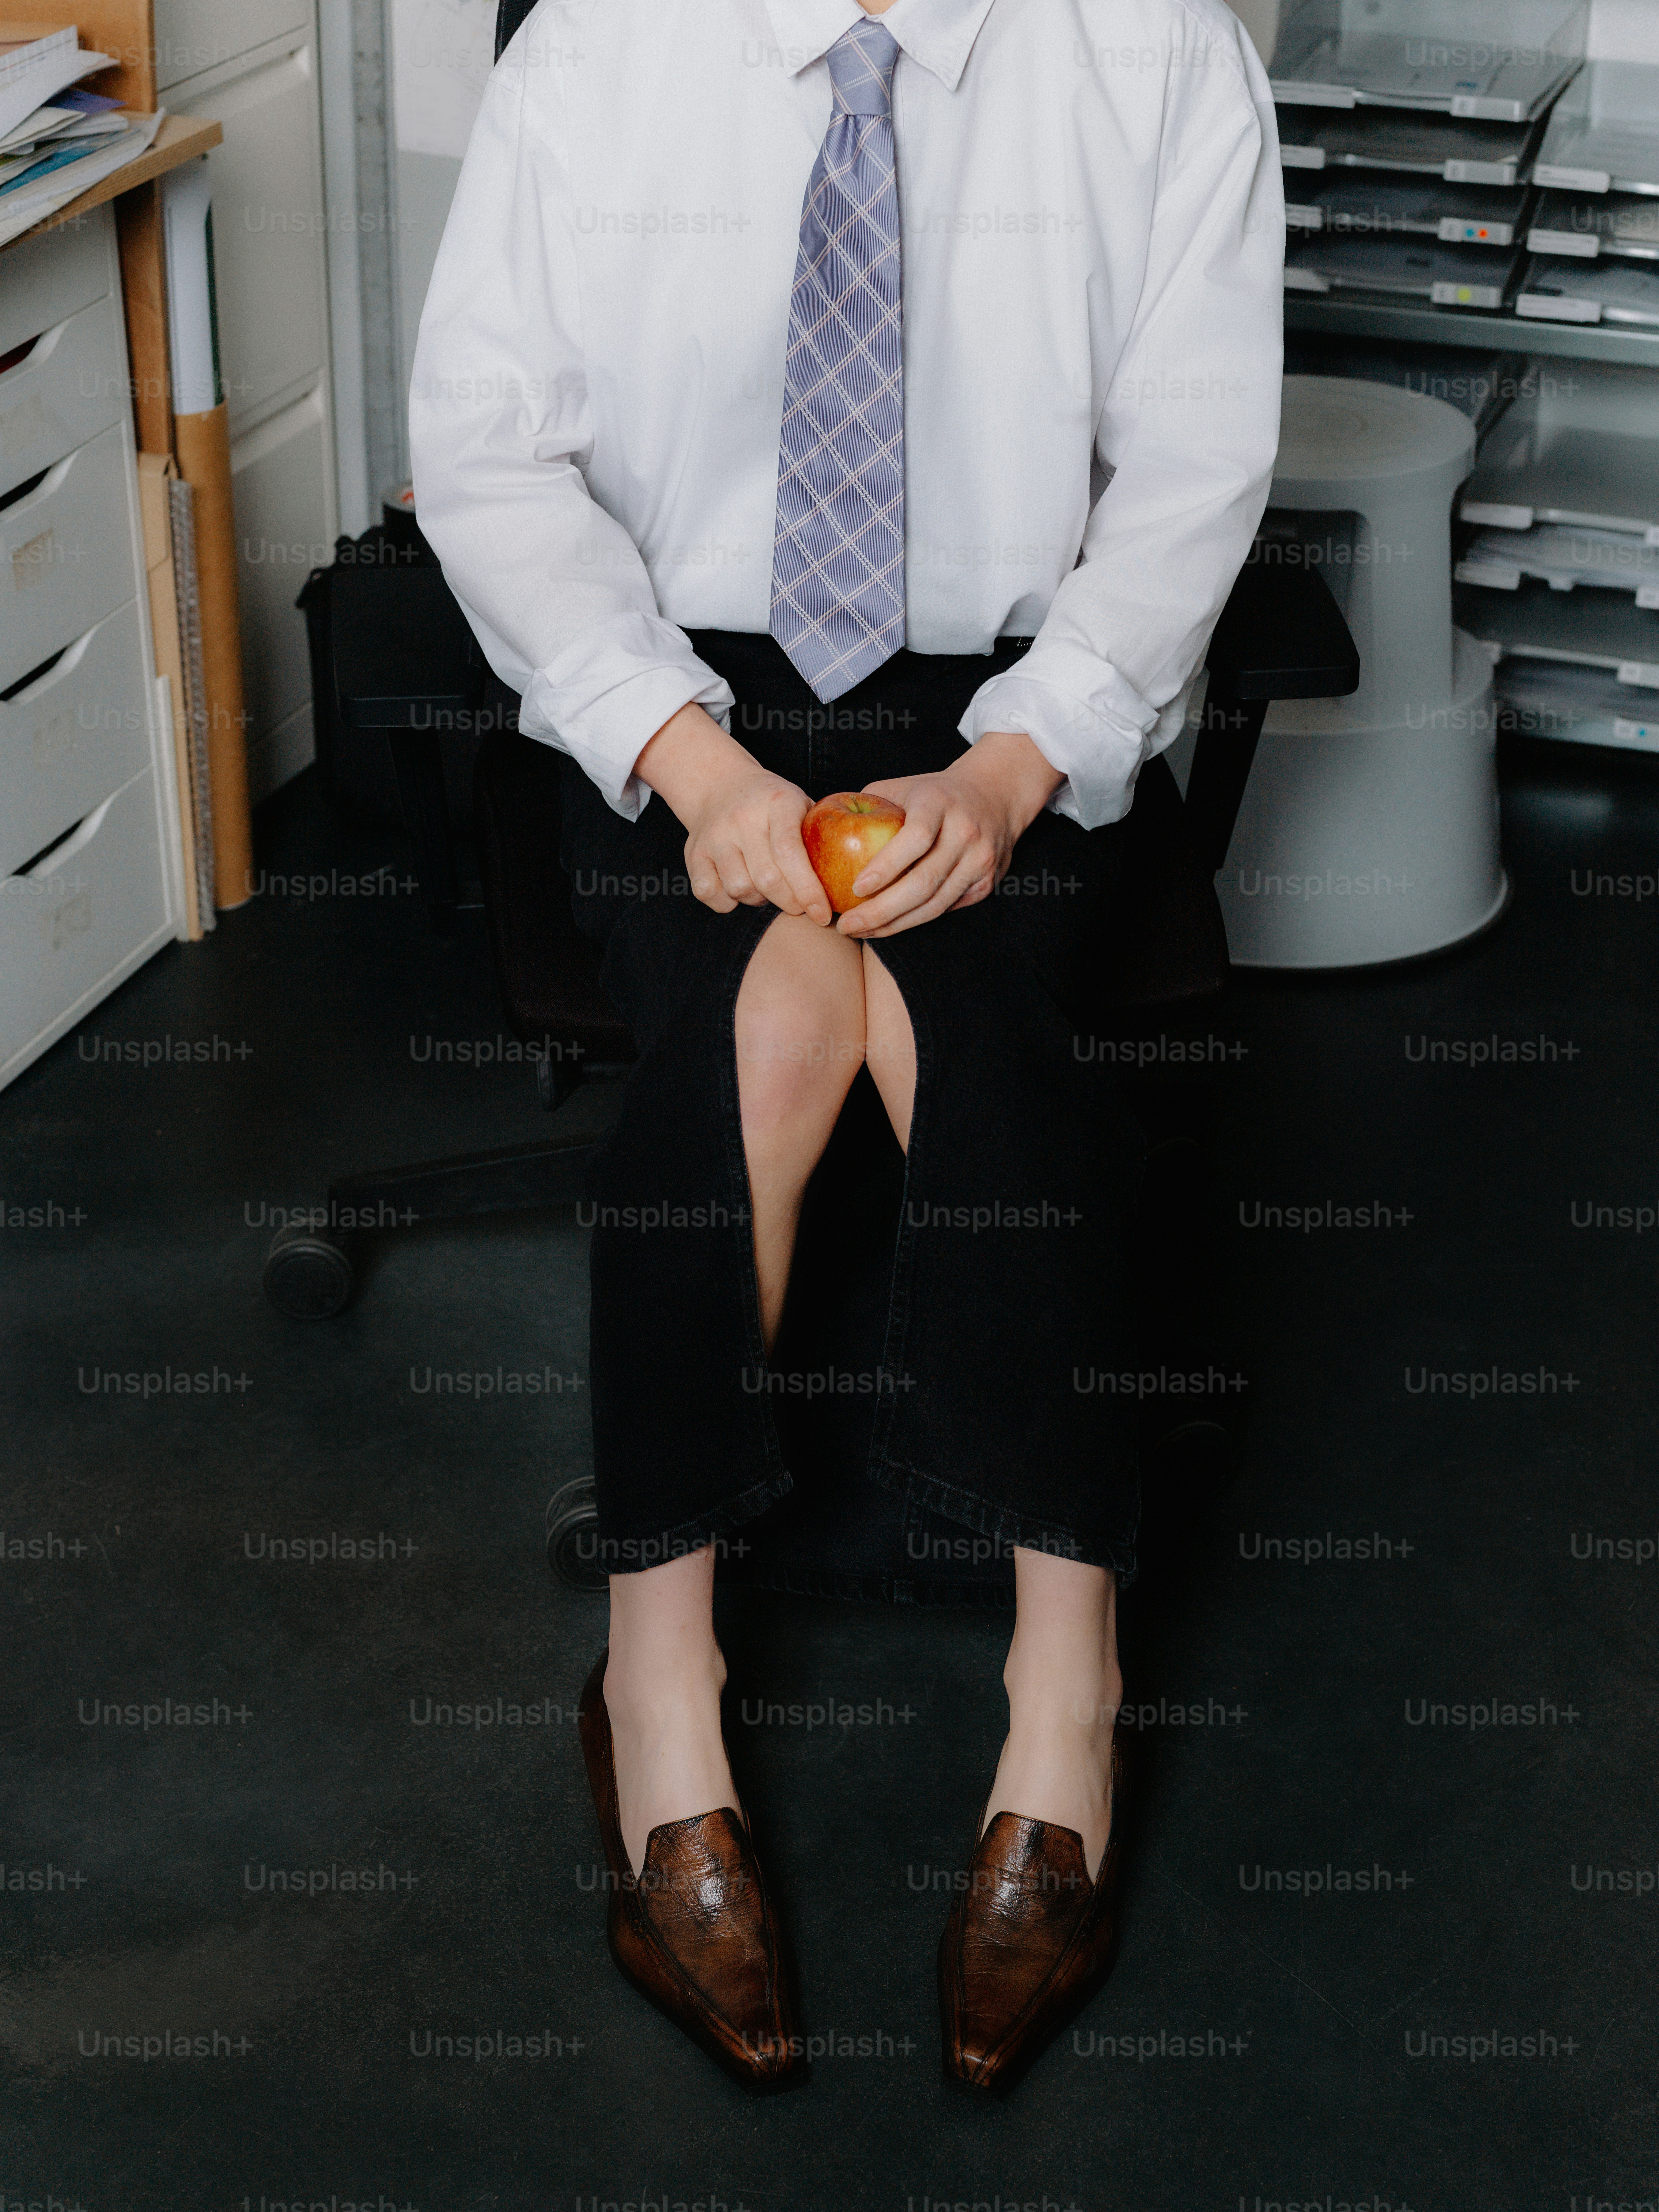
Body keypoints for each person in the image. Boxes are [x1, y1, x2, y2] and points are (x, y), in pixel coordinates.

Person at [409, 0, 1283, 2095]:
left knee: (987, 1041)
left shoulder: (1154, 52)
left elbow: (1191, 466)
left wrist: (1017, 768)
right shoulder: (596, 60)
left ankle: (1060, 1702)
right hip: (681, 688)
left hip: (1019, 691)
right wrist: (683, 760)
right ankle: (662, 1692)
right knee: (765, 1034)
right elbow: (486, 452)